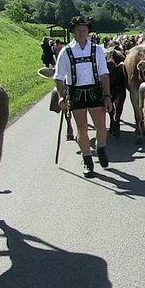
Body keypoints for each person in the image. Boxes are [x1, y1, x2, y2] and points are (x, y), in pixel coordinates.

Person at [53, 16, 113, 178]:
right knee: (82, 128)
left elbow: (104, 74)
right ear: (73, 31)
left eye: (84, 30)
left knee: (101, 127)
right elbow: (59, 77)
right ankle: (87, 159)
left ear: (88, 31)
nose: (81, 33)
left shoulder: (96, 50)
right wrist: (61, 96)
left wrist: (107, 96)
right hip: (76, 92)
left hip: (94, 90)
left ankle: (100, 146)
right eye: (78, 30)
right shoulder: (66, 52)